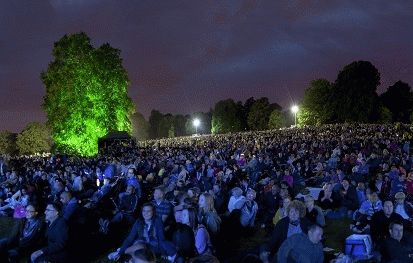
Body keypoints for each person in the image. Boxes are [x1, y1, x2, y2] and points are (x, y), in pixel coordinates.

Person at [107, 203, 176, 261]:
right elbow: (130, 238)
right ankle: (120, 252)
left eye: (149, 211)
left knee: (140, 247)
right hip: (141, 243)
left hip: (154, 246)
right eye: (144, 211)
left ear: (153, 212)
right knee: (138, 244)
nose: (146, 213)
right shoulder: (139, 222)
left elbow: (162, 239)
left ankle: (122, 253)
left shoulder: (158, 221)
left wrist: (163, 253)